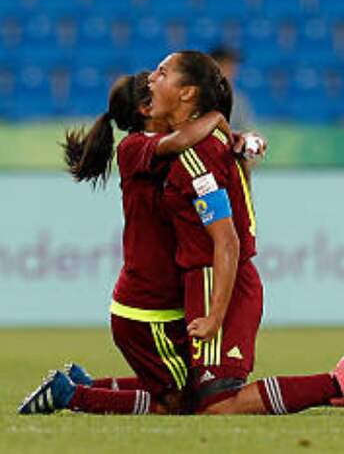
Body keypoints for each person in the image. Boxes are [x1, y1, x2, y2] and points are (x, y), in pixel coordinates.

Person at [19, 71, 232, 415]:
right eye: (157, 87)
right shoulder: (135, 147)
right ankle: (70, 396)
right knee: (178, 403)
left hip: (159, 297)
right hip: (147, 306)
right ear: (147, 109)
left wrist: (237, 139)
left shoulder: (159, 145)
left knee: (187, 387)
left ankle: (85, 385)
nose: (167, 90)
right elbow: (181, 141)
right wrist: (218, 117)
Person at [149, 51, 342, 414]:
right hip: (214, 280)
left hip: (218, 282)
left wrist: (215, 316)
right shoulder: (216, 143)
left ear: (188, 93)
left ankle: (334, 384)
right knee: (183, 394)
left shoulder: (197, 156)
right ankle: (75, 393)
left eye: (162, 73)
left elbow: (226, 240)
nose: (150, 79)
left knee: (215, 405)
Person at [209, 44, 255, 131]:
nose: (233, 71)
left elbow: (246, 131)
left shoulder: (239, 100)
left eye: (233, 66)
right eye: (227, 66)